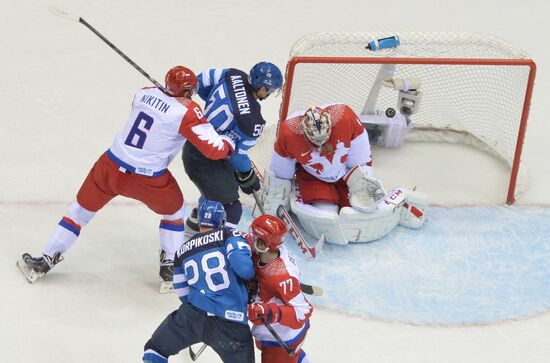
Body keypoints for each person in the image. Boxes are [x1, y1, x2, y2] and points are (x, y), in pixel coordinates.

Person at [17, 66, 235, 291]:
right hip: (148, 180)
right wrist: (230, 145)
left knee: (79, 212)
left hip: (110, 167)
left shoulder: (143, 93)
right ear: (188, 92)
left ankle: (45, 259)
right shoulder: (187, 111)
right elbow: (214, 149)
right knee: (174, 212)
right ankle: (170, 266)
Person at [260, 103, 429, 245]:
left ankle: (400, 196)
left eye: (324, 139)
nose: (320, 145)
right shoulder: (288, 133)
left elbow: (361, 156)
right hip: (313, 177)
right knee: (327, 215)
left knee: (362, 210)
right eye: (315, 141)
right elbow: (282, 170)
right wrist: (278, 194)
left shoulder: (346, 118)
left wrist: (361, 182)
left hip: (346, 174)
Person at [143, 200, 255, 363]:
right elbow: (244, 269)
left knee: (155, 350)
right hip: (231, 323)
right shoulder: (229, 235)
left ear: (199, 221)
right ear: (222, 221)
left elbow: (182, 292)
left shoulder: (182, 251)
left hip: (193, 316)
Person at [182, 61, 283, 232]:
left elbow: (199, 82)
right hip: (205, 161)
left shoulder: (233, 74)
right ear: (263, 88)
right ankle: (217, 244)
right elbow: (236, 156)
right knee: (232, 208)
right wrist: (247, 174)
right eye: (270, 90)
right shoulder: (253, 122)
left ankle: (194, 224)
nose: (269, 93)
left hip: (193, 147)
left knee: (218, 190)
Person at [247, 214, 313, 363]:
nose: (252, 238)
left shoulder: (282, 277)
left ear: (264, 244)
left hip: (283, 337)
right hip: (271, 331)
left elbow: (303, 312)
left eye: (255, 237)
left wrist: (270, 312)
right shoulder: (268, 252)